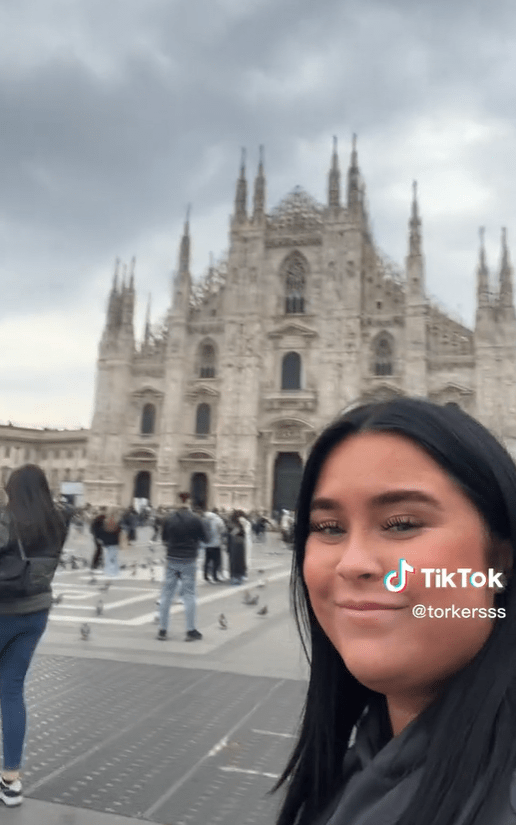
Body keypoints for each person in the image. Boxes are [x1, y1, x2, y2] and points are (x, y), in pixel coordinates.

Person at [272, 397, 516, 825]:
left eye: (402, 523)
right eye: (329, 528)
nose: (353, 563)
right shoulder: (364, 761)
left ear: (499, 558)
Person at [0, 464, 67, 807]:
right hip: (36, 613)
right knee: (11, 691)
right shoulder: (57, 521)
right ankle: (12, 781)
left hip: (3, 610)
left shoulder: (6, 519)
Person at [157, 492, 207, 641]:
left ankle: (162, 630)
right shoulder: (195, 519)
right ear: (189, 502)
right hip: (188, 559)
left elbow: (164, 538)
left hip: (172, 558)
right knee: (189, 594)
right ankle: (191, 630)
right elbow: (205, 538)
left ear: (177, 501)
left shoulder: (168, 518)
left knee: (166, 594)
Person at [96, 506, 124, 578]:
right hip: (114, 542)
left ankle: (108, 571)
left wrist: (100, 538)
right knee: (114, 557)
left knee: (107, 557)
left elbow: (101, 531)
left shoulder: (106, 520)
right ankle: (115, 571)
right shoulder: (117, 521)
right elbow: (119, 532)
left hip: (106, 542)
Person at [202, 507, 226, 582]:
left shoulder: (205, 519)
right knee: (216, 561)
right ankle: (214, 576)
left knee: (207, 560)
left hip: (207, 544)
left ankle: (205, 575)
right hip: (216, 544)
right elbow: (223, 531)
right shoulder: (218, 520)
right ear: (217, 512)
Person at [227, 510, 247, 585]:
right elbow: (243, 534)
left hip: (235, 544)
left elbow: (229, 534)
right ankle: (237, 576)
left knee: (235, 561)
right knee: (238, 561)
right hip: (237, 544)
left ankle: (235, 576)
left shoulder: (232, 523)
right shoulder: (235, 524)